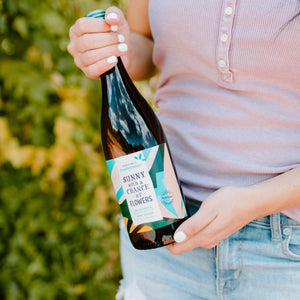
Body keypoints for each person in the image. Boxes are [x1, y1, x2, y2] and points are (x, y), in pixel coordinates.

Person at [68, 1, 300, 299]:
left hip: (287, 252)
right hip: (160, 231)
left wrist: (255, 202)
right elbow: (145, 42)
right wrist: (115, 48)